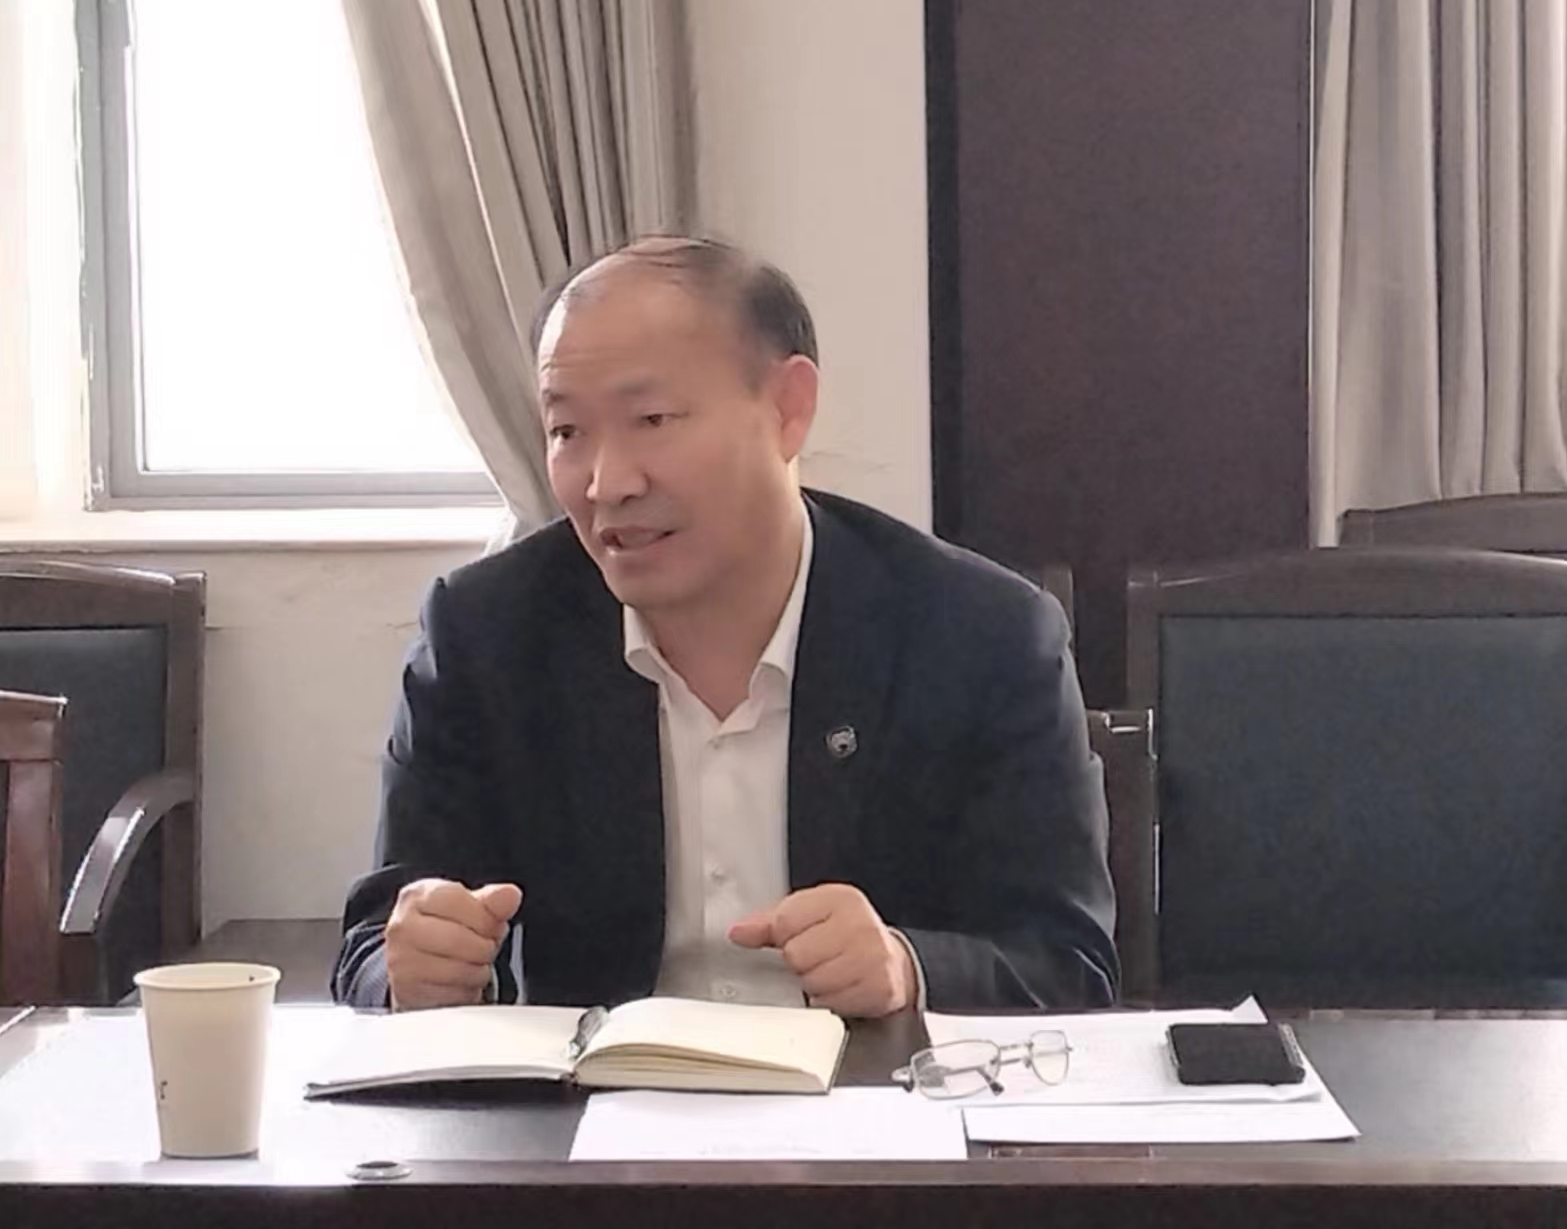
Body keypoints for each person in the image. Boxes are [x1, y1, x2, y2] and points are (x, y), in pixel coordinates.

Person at [333, 236, 1117, 1016]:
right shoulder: (483, 634)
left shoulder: (981, 635)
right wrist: (413, 968)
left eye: (651, 418)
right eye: (567, 431)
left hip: (868, 1088)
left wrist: (907, 968)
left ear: (787, 408)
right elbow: (374, 940)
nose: (608, 482)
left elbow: (1067, 962)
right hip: (594, 1092)